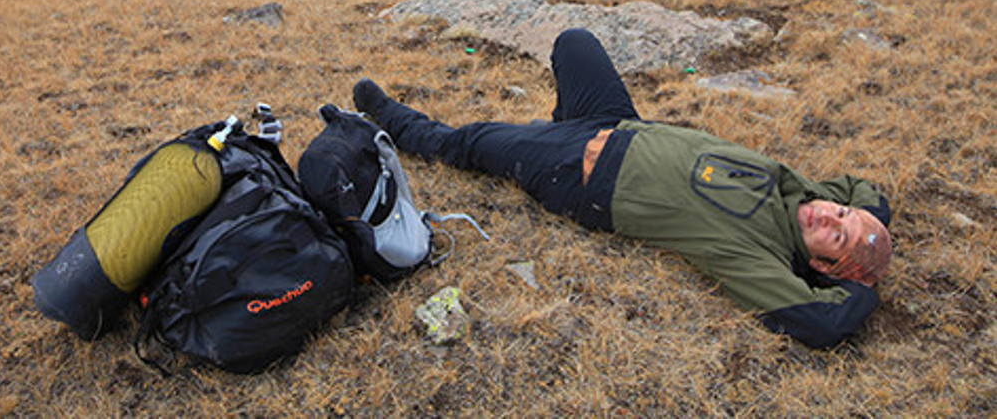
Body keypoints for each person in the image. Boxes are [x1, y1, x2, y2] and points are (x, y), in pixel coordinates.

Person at [352, 28, 893, 348]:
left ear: (820, 265)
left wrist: (864, 285)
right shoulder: (801, 192)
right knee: (574, 43)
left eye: (837, 237)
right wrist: (870, 232)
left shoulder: (757, 253)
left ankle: (393, 119)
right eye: (844, 214)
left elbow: (822, 322)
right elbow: (865, 190)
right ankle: (547, 133)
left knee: (469, 143)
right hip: (617, 122)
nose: (831, 216)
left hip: (580, 173)